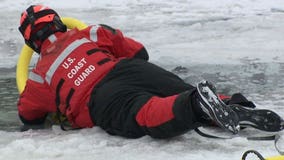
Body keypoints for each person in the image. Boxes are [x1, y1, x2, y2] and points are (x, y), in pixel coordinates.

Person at [17, 5, 283, 138]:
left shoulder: (39, 77)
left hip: (100, 100)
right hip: (128, 69)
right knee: (178, 89)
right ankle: (234, 105)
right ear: (60, 23)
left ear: (31, 43)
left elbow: (28, 115)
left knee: (146, 111)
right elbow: (139, 53)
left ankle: (196, 107)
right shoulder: (91, 33)